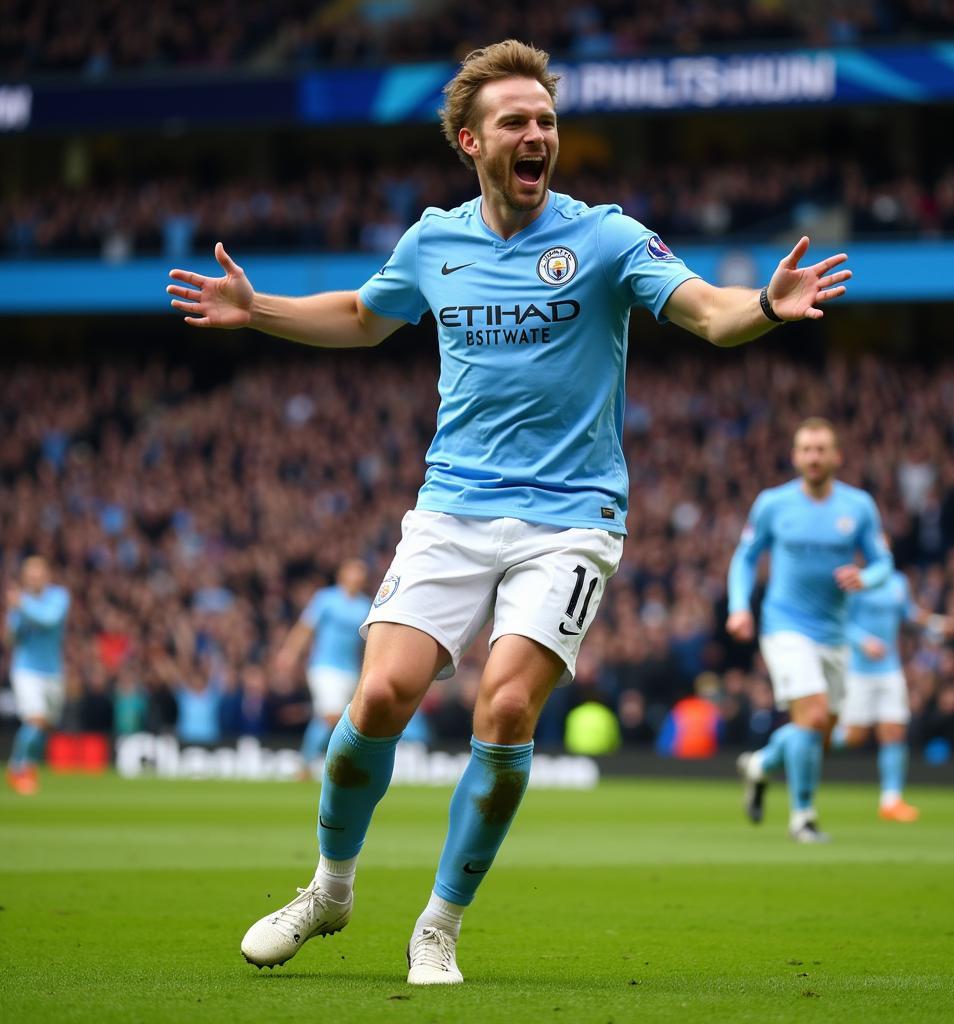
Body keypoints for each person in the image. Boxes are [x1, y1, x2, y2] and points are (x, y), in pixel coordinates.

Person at [166, 39, 851, 984]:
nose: (537, 136)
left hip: (571, 518)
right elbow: (367, 317)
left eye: (546, 121)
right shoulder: (433, 242)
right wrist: (262, 309)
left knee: (508, 704)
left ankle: (439, 925)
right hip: (452, 506)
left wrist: (766, 307)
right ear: (469, 141)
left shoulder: (607, 236)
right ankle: (328, 889)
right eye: (515, 123)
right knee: (376, 697)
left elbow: (704, 311)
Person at [728, 419, 890, 843]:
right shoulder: (773, 504)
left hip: (834, 633)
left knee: (820, 730)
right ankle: (804, 817)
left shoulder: (858, 507)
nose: (813, 457)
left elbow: (883, 563)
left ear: (837, 456)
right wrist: (740, 606)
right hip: (785, 626)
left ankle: (761, 765)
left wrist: (866, 578)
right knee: (814, 716)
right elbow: (745, 558)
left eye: (821, 449)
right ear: (795, 456)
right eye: (806, 449)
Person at [837, 566, 951, 822]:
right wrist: (862, 642)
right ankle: (810, 741)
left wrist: (938, 624)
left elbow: (909, 614)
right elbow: (840, 621)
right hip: (858, 671)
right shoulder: (853, 582)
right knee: (854, 736)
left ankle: (891, 800)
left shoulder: (898, 582)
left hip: (889, 669)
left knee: (895, 731)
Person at [276, 560, 372, 774]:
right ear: (342, 575)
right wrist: (289, 652)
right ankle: (308, 765)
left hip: (351, 670)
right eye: (354, 571)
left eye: (361, 573)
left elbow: (368, 643)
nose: (358, 576)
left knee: (341, 719)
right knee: (330, 715)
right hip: (324, 667)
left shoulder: (365, 605)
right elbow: (305, 628)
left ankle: (316, 763)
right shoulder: (326, 599)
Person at [5, 556, 71, 795]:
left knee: (46, 725)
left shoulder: (59, 597)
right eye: (30, 575)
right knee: (34, 718)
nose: (34, 578)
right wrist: (14, 621)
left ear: (47, 575)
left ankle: (29, 766)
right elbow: (12, 639)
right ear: (25, 577)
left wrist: (21, 605)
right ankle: (16, 768)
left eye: (38, 573)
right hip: (26, 670)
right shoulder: (19, 604)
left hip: (53, 672)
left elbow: (49, 620)